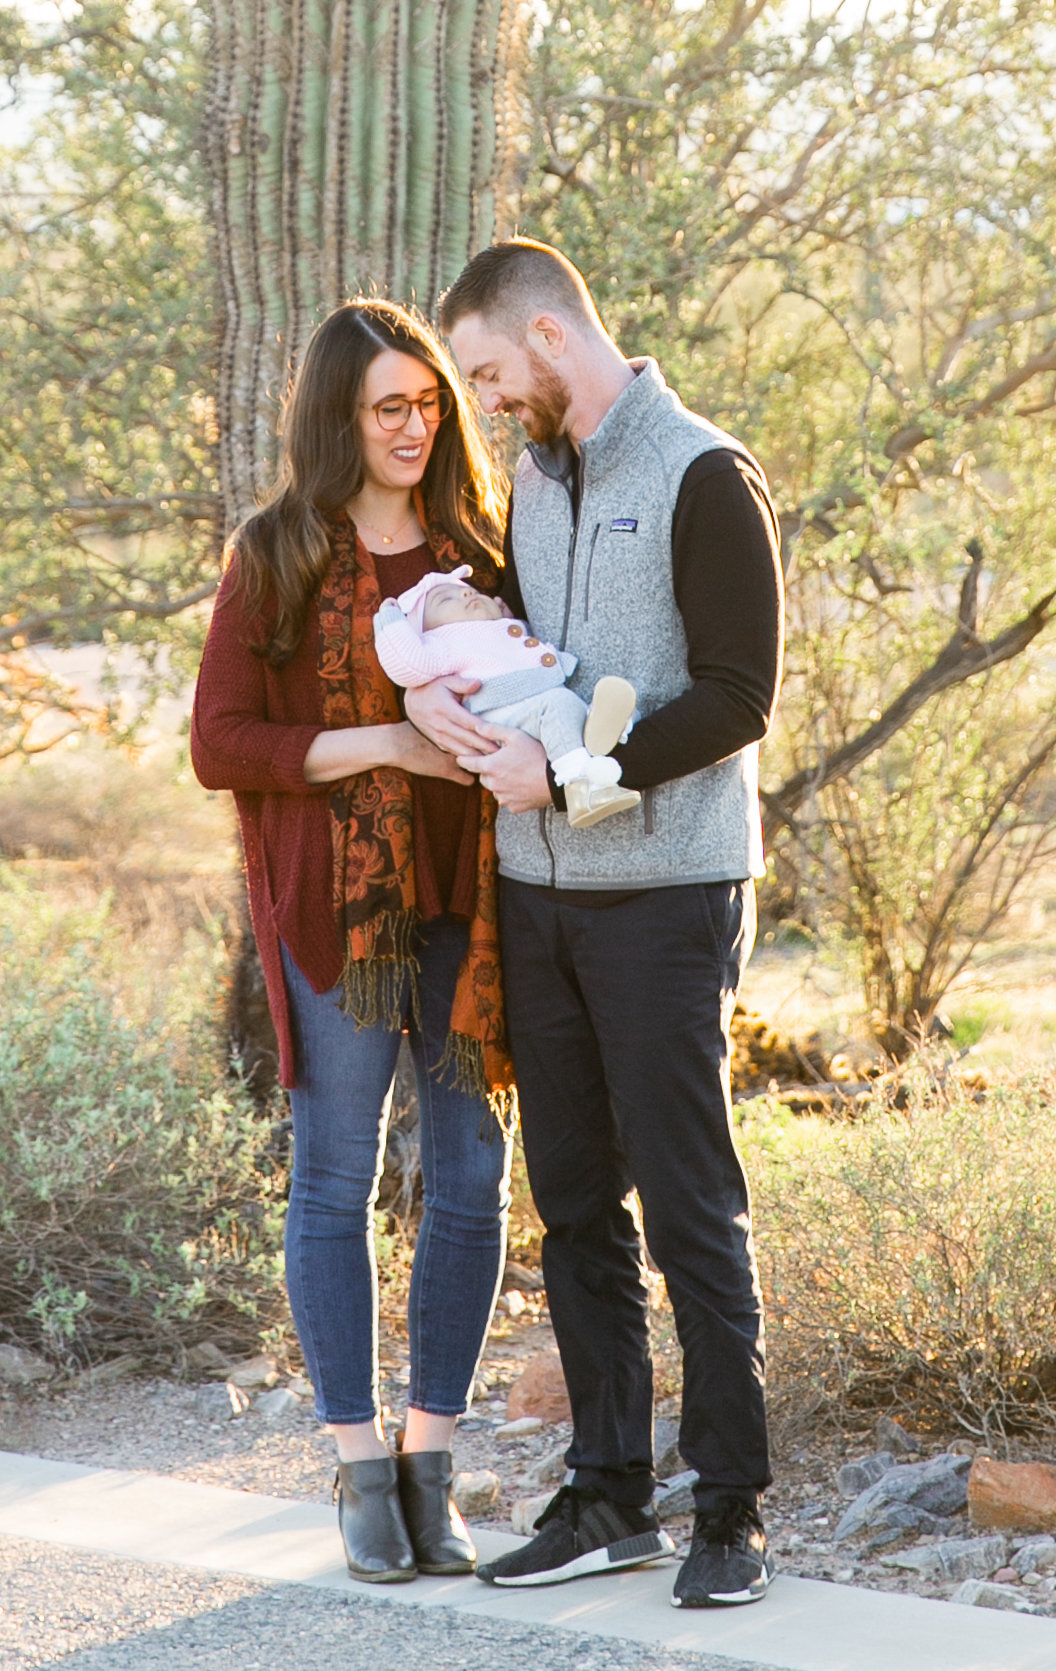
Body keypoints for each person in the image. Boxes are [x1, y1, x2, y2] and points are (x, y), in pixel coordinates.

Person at [419, 238, 783, 1614]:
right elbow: (549, 664)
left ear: (553, 340)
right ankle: (610, 1492)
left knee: (690, 1200)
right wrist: (464, 684)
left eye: (494, 372)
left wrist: (578, 776)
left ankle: (731, 1507)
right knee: (573, 1200)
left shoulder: (702, 471)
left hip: (667, 896)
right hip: (541, 899)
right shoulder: (535, 480)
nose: (491, 400)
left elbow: (740, 693)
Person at [189, 299, 515, 1586]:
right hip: (338, 912)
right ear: (340, 417)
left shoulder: (479, 546)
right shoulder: (274, 554)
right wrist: (386, 742)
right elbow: (220, 743)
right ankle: (355, 1463)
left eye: (429, 401)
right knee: (334, 1180)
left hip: (474, 905)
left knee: (472, 1174)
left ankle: (430, 1458)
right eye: (390, 405)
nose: (416, 424)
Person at [372, 567, 641, 826]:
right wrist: (389, 620)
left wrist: (504, 614)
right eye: (445, 599)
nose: (465, 594)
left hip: (528, 701)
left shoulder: (498, 627)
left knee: (579, 709)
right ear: (424, 631)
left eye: (467, 590)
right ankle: (580, 787)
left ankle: (607, 732)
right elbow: (406, 662)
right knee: (559, 706)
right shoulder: (441, 644)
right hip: (498, 710)